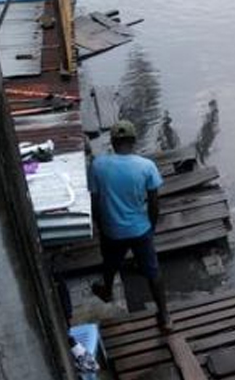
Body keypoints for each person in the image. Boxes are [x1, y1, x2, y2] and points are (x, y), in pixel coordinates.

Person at [89, 121, 173, 331]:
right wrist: (150, 228)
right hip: (140, 229)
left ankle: (107, 290)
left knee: (109, 263)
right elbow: (154, 204)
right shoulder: (146, 166)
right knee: (153, 271)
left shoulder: (98, 165)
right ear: (134, 141)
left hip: (112, 230)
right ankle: (165, 316)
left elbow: (95, 202)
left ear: (112, 142)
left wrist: (101, 227)